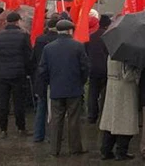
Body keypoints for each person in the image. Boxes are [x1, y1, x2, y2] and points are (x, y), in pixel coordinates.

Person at [38, 19, 89, 157]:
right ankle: (75, 148)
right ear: (70, 31)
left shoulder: (48, 48)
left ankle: (54, 149)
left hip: (56, 88)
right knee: (74, 119)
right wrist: (81, 82)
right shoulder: (78, 46)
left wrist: (50, 82)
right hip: (74, 88)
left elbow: (43, 70)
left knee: (56, 120)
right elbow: (85, 68)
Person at [0, 12, 32, 138]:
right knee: (18, 102)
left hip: (2, 73)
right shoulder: (23, 36)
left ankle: (3, 129)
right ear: (18, 21)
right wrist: (28, 72)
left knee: (3, 102)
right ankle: (21, 128)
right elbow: (28, 56)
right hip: (18, 73)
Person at [99, 56, 140, 161]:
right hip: (124, 90)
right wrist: (137, 71)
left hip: (111, 87)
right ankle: (121, 152)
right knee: (125, 122)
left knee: (110, 122)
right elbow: (127, 75)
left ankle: (105, 150)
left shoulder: (111, 53)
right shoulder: (127, 55)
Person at [31, 16, 59, 142]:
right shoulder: (59, 41)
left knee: (41, 107)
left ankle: (38, 135)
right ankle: (53, 136)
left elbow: (34, 59)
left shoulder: (40, 39)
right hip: (56, 78)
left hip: (41, 76)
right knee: (55, 109)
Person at [85, 12, 110, 124]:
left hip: (93, 69)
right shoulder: (108, 37)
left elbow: (86, 52)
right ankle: (103, 114)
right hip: (105, 69)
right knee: (105, 93)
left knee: (93, 93)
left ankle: (91, 115)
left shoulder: (91, 37)